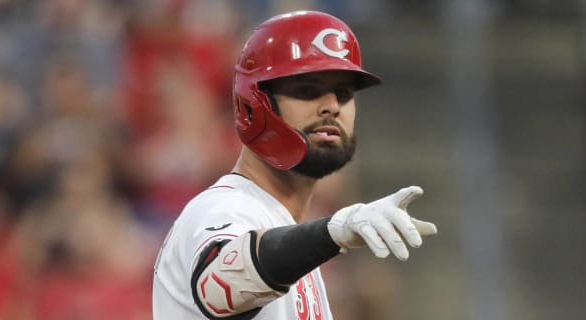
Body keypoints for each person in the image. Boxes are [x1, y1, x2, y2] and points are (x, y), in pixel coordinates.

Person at [152, 10, 437, 320]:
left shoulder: (292, 239)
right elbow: (219, 287)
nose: (331, 106)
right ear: (253, 104)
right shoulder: (223, 207)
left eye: (343, 93)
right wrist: (332, 233)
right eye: (307, 91)